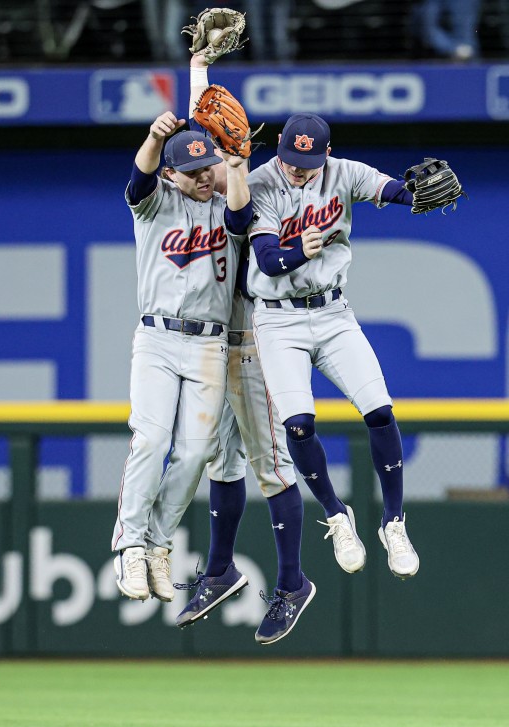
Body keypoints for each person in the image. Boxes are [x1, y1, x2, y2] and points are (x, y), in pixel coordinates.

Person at [244, 112, 428, 602]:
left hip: (333, 313)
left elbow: (391, 189)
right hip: (277, 318)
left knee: (380, 410)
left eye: (307, 161)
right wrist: (299, 251)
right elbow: (266, 260)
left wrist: (416, 196)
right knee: (298, 423)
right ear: (279, 146)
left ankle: (393, 522)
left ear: (324, 153)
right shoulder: (259, 182)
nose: (297, 169)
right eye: (289, 158)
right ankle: (336, 514)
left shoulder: (343, 172)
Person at [167, 50, 314, 646]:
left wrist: (236, 156)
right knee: (220, 464)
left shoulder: (245, 190)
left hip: (252, 344)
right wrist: (198, 66)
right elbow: (197, 136)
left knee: (271, 467)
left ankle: (291, 583)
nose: (208, 164)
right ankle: (221, 569)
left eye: (224, 147)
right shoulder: (198, 179)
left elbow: (228, 173)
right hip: (212, 349)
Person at [110, 110, 251, 604]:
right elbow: (138, 178)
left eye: (207, 167)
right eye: (192, 171)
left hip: (209, 343)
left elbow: (240, 217)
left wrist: (234, 166)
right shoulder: (154, 205)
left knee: (194, 453)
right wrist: (153, 137)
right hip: (159, 338)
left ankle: (157, 544)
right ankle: (129, 543)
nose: (202, 176)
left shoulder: (225, 201)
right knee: (150, 439)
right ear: (171, 173)